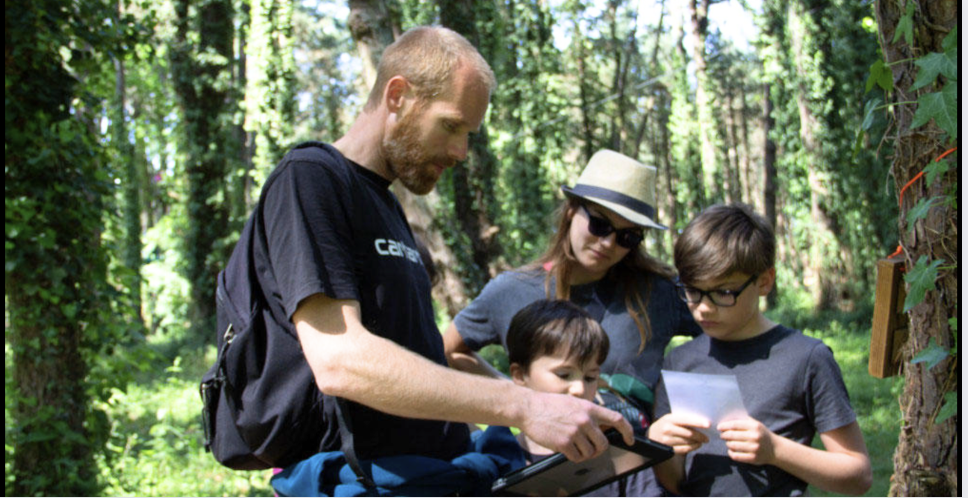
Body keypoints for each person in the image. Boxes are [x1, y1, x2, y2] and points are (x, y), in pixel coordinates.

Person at [225, 25, 632, 474]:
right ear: (397, 96)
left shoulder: (386, 205)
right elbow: (341, 361)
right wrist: (521, 405)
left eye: (469, 133)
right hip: (357, 479)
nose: (460, 151)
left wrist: (537, 407)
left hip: (433, 470)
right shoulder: (311, 178)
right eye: (451, 126)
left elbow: (424, 362)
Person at [443, 149, 701, 494]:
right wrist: (516, 403)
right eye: (600, 224)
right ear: (570, 212)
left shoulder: (657, 292)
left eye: (628, 236)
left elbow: (726, 332)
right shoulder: (512, 291)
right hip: (551, 476)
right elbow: (446, 352)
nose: (608, 242)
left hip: (639, 478)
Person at [648, 203, 873, 496]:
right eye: (692, 291)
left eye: (723, 292)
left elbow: (858, 476)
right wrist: (658, 445)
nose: (703, 308)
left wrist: (775, 449)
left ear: (765, 281)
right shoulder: (679, 362)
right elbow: (675, 482)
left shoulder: (806, 358)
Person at [504, 299, 611, 463]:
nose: (579, 389)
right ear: (519, 375)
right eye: (563, 375)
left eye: (590, 378)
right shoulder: (499, 458)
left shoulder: (614, 451)